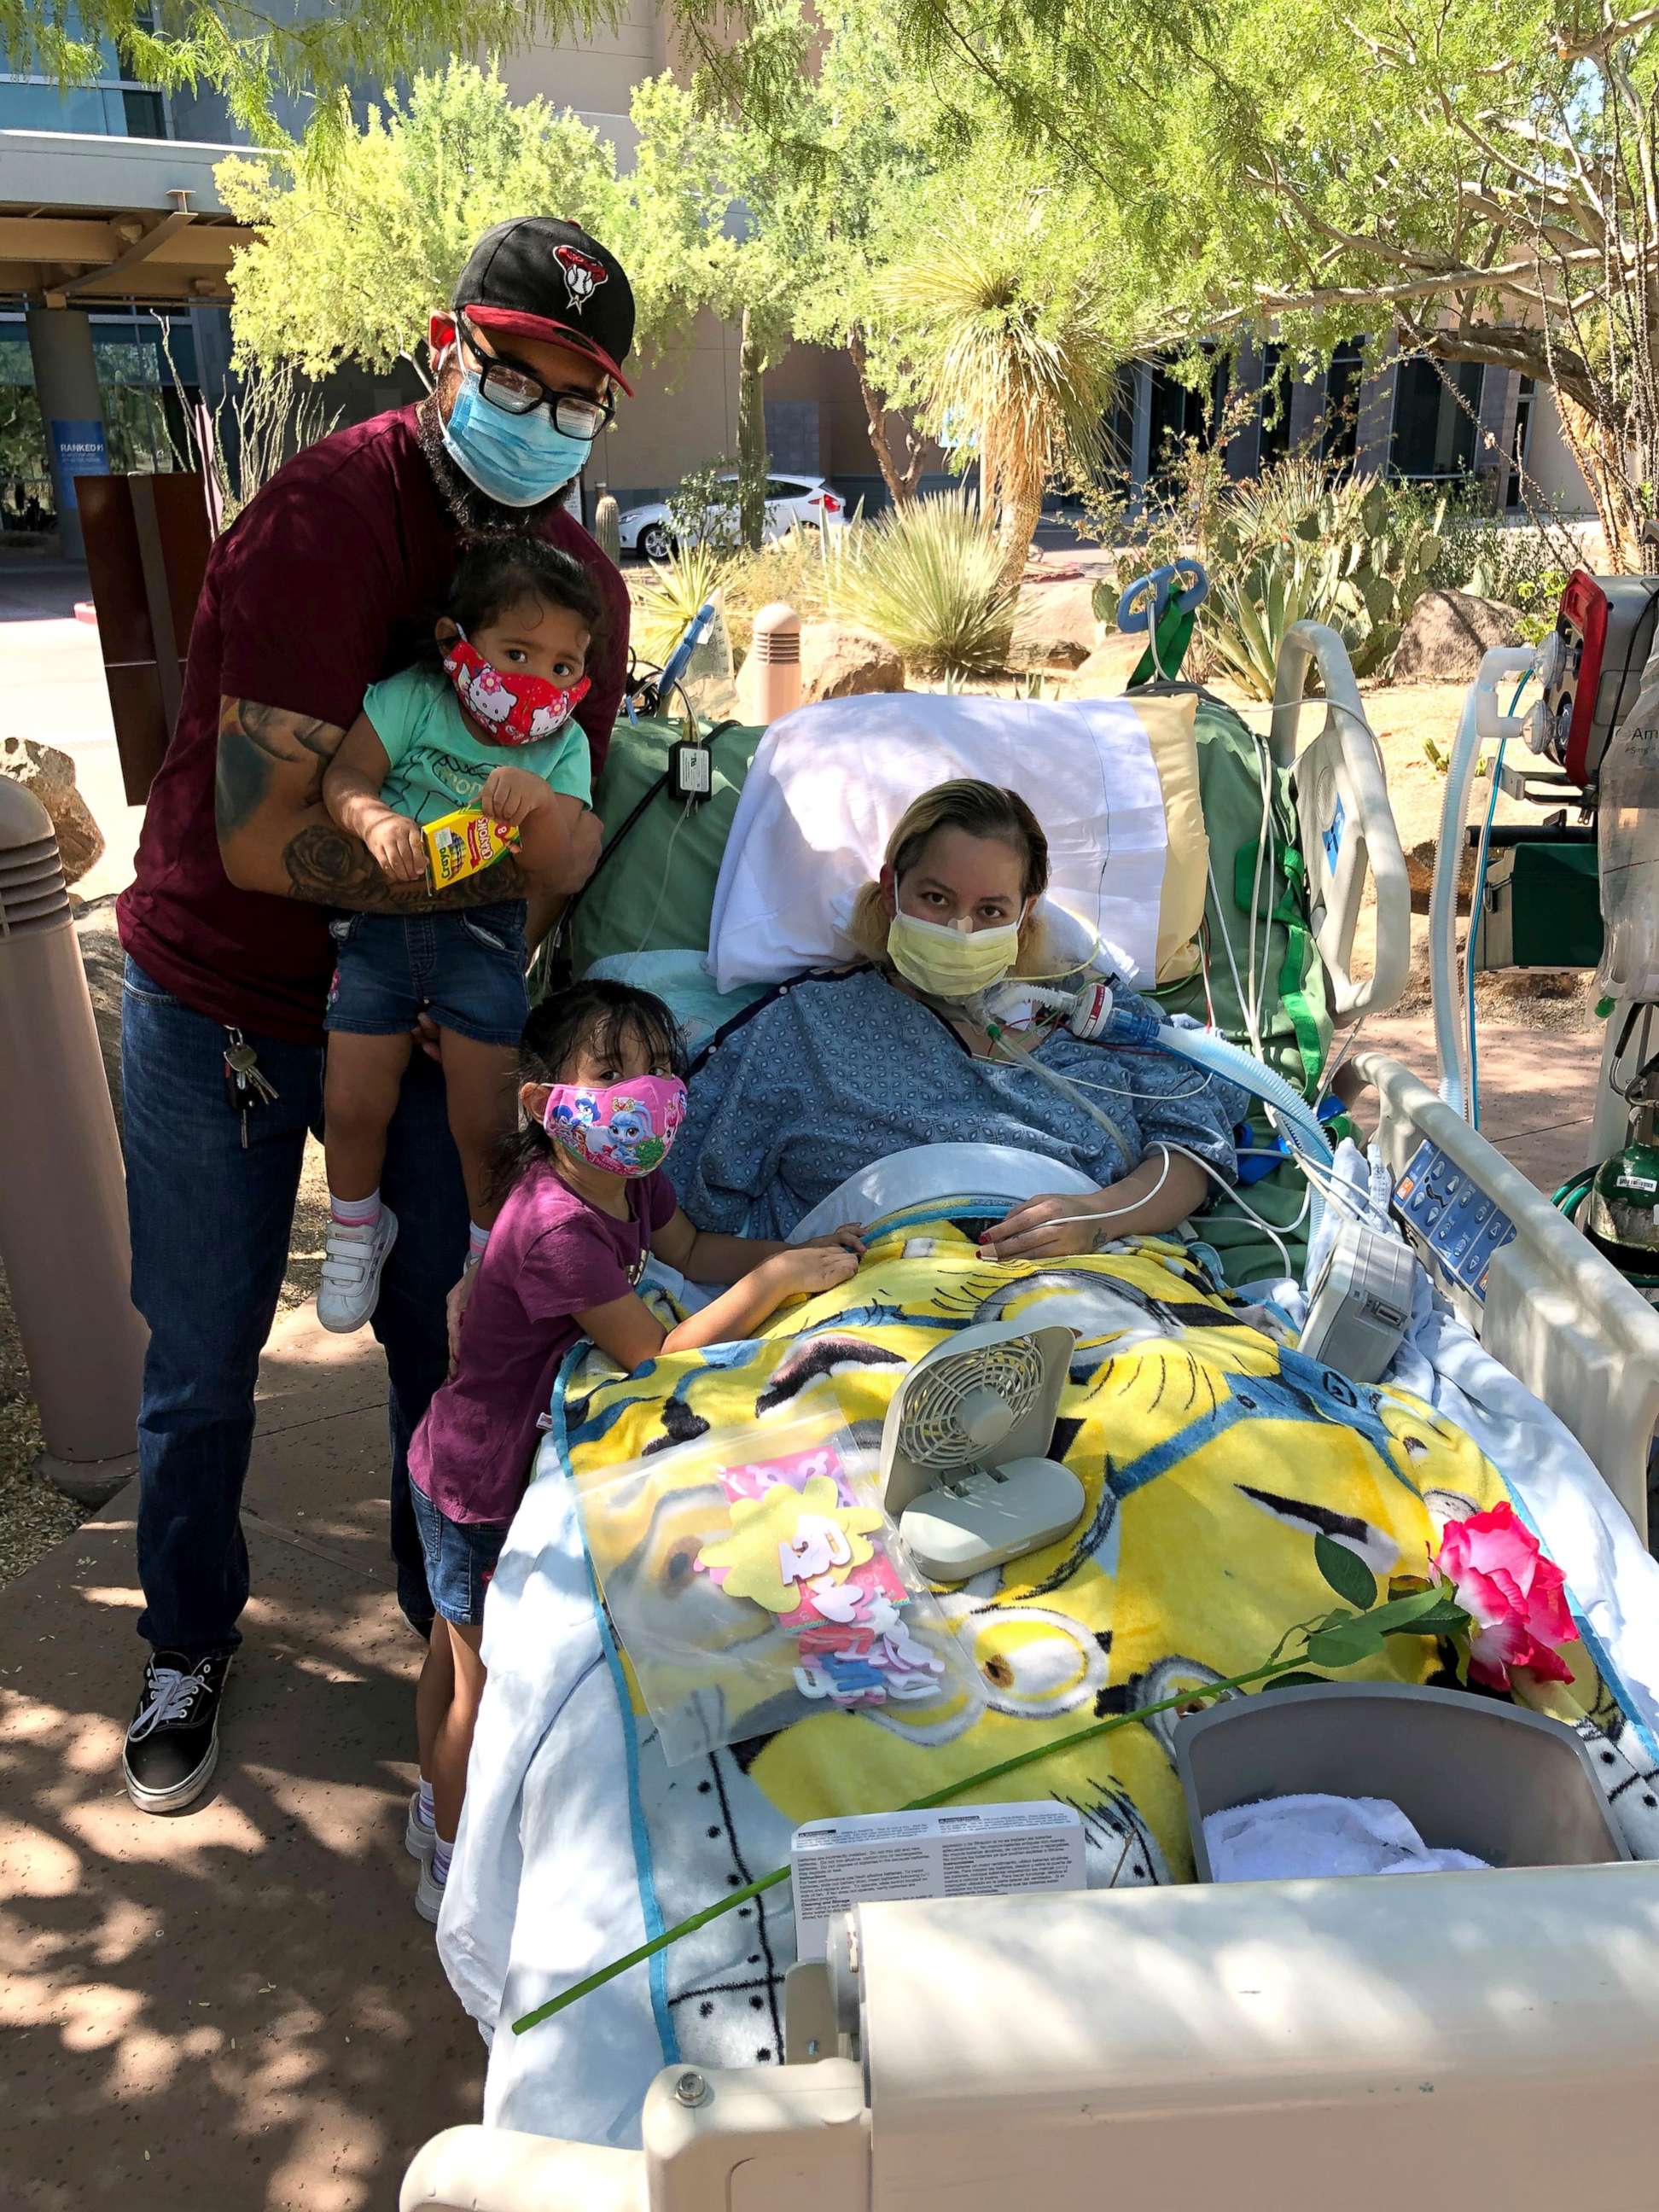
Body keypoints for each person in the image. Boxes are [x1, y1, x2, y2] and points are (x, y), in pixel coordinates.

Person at [116, 216, 637, 1815]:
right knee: (202, 1365)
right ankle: (188, 1641)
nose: (537, 419)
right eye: (511, 374)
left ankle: (447, 1625)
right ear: (440, 345)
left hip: (430, 1021)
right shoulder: (323, 521)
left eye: (576, 397)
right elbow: (266, 840)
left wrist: (467, 973)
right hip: (225, 999)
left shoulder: (582, 594)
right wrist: (462, 911)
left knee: (443, 1328)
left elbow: (563, 845)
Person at [405, 980, 863, 1921]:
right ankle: (451, 1859)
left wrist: (806, 1253)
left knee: (451, 1662)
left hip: (471, 1456)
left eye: (658, 1067)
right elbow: (650, 1353)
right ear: (545, 1103)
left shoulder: (625, 1173)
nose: (645, 1090)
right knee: (474, 1691)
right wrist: (779, 1279)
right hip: (475, 1485)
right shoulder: (558, 1227)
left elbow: (690, 1248)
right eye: (611, 1073)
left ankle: (429, 1812)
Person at [669, 780, 1249, 1253]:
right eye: (936, 899)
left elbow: (1195, 1145)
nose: (960, 930)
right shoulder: (805, 1026)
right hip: (877, 1305)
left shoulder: (1091, 1013)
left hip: (1094, 1288)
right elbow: (671, 1196)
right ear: (892, 890)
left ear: (1024, 916)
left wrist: (1098, 1216)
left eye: (990, 909)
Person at [316, 537, 603, 1332]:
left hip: (482, 944)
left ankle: (487, 1253)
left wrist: (538, 805)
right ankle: (354, 1227)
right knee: (349, 1101)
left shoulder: (564, 745)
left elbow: (551, 866)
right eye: (516, 651)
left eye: (560, 665)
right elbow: (345, 776)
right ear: (458, 644)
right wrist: (373, 819)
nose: (535, 681)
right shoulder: (411, 698)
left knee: (483, 1124)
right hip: (378, 932)